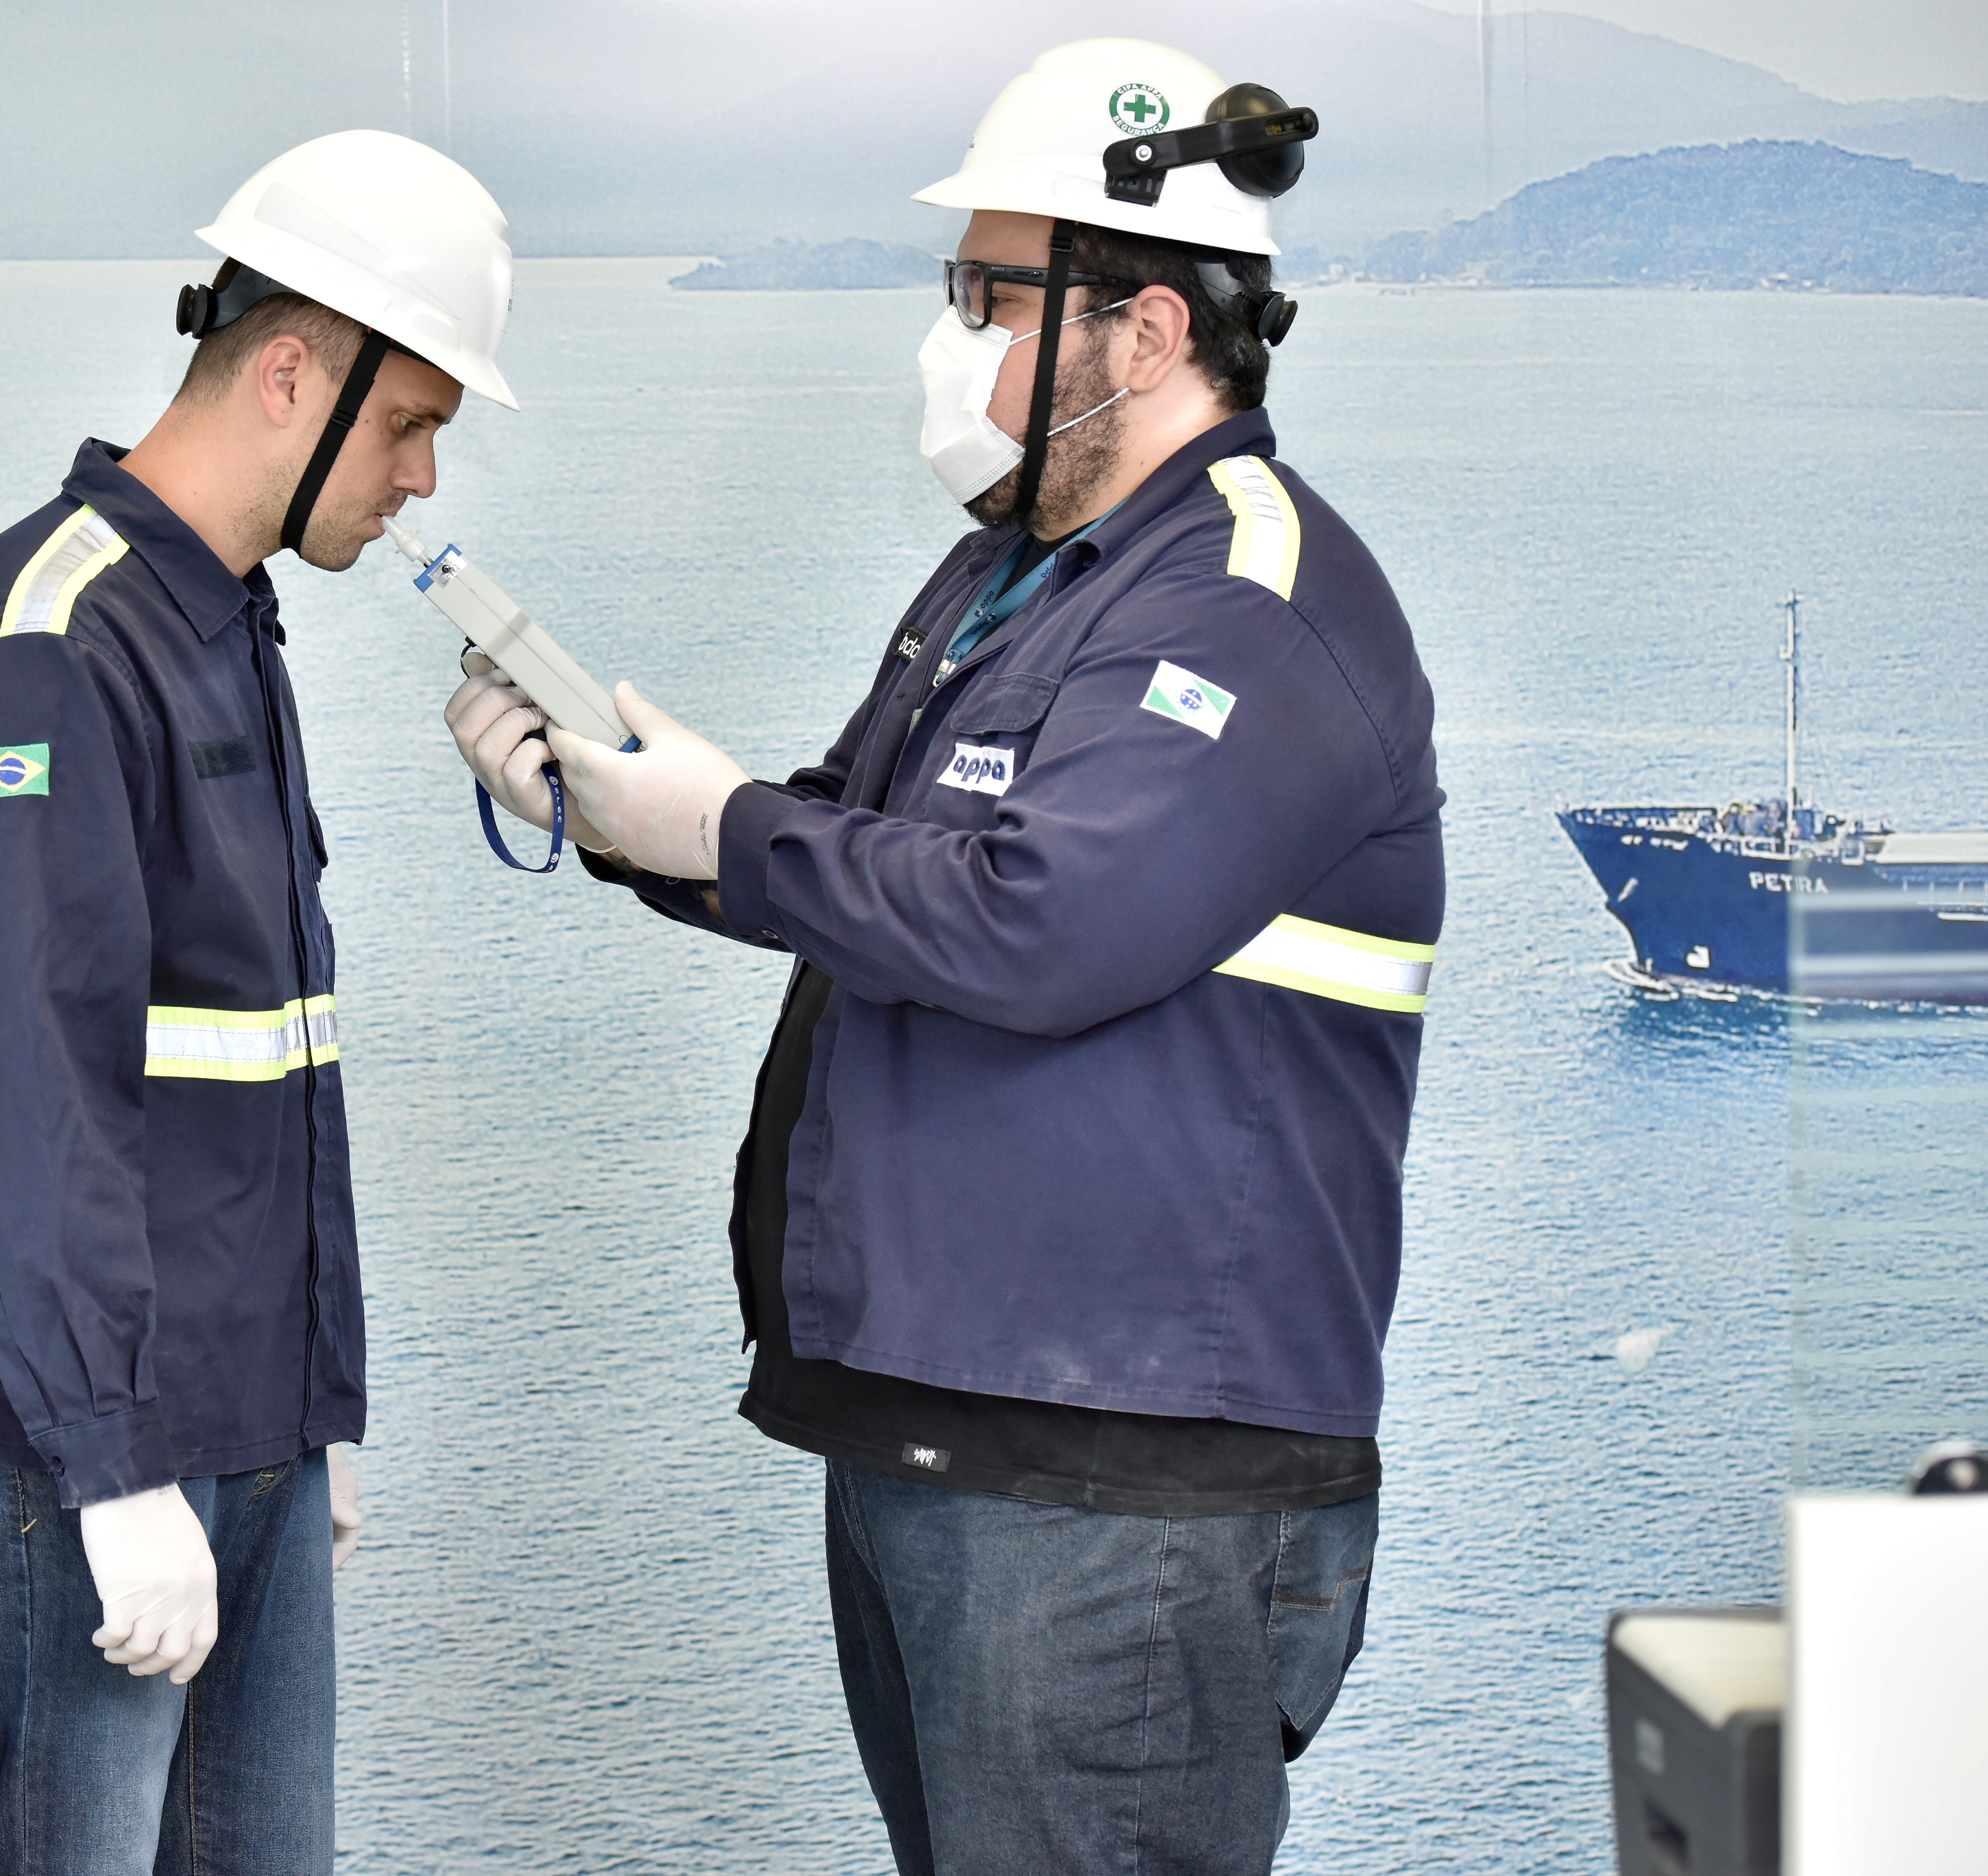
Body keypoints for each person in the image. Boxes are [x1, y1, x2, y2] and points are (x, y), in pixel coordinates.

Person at [448, 39, 1441, 1875]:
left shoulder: (1246, 599)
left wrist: (726, 824)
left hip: (1118, 1482)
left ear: (1141, 330)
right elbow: (855, 852)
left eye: (988, 296)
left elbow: (1043, 923)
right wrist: (624, 812)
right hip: (951, 1438)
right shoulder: (1019, 578)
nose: (952, 340)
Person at [0, 129, 519, 1874]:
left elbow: (245, 1072)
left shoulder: (215, 625)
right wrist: (118, 1470)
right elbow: (29, 1088)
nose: (425, 478)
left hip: (233, 1414)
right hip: (74, 1449)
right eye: (411, 422)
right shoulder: (46, 650)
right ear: (291, 372)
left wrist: (307, 1409)